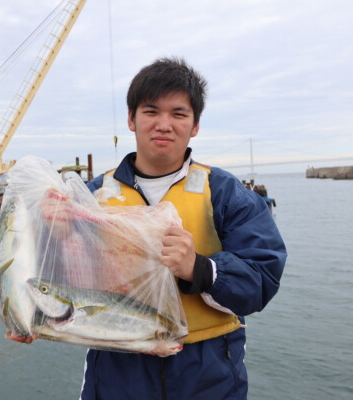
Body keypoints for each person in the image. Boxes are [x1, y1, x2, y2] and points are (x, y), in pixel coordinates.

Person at [79, 57, 287, 399]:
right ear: (131, 119)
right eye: (151, 112)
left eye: (178, 114)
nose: (164, 124)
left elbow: (262, 279)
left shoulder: (224, 193)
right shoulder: (92, 197)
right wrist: (30, 316)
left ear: (195, 126)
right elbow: (59, 274)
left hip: (208, 372)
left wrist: (199, 268)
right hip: (117, 369)